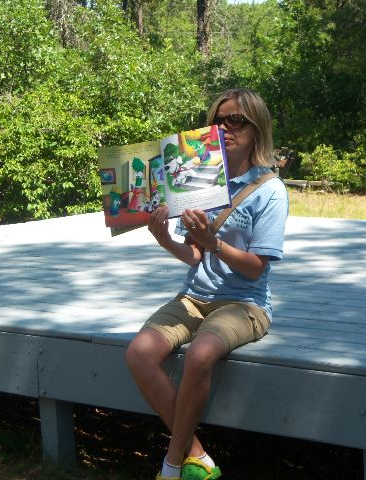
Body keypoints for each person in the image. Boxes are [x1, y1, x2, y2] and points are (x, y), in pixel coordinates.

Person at [125, 88, 289, 480]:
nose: (225, 127)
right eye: (218, 120)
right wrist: (165, 239)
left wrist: (214, 243)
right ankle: (198, 456)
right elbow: (195, 255)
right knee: (139, 353)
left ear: (256, 127)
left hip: (245, 304)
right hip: (194, 297)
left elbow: (255, 268)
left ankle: (171, 465)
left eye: (237, 120)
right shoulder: (199, 177)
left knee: (200, 355)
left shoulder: (271, 190)